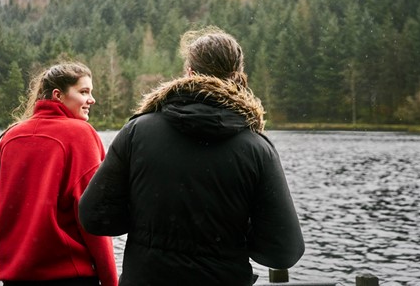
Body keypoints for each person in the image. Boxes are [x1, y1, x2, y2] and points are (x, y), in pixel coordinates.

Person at [79, 27, 304, 286]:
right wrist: (236, 234)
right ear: (238, 77)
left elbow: (93, 215)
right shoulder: (256, 148)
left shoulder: (137, 132)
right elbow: (284, 251)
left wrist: (145, 220)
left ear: (189, 74)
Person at [0, 61, 118, 286]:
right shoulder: (81, 135)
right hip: (69, 277)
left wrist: (11, 257)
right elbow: (93, 214)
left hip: (15, 277)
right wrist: (110, 280)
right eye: (84, 91)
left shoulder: (10, 137)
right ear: (58, 95)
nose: (92, 99)